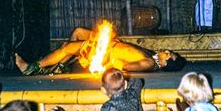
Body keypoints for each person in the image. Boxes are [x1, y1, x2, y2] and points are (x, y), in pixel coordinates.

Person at [15, 27, 186, 75]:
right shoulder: (152, 56)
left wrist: (99, 59)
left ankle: (31, 68)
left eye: (169, 54)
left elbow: (123, 66)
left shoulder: (149, 62)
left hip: (103, 52)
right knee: (78, 32)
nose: (167, 50)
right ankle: (60, 65)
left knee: (66, 48)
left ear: (164, 63)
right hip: (108, 45)